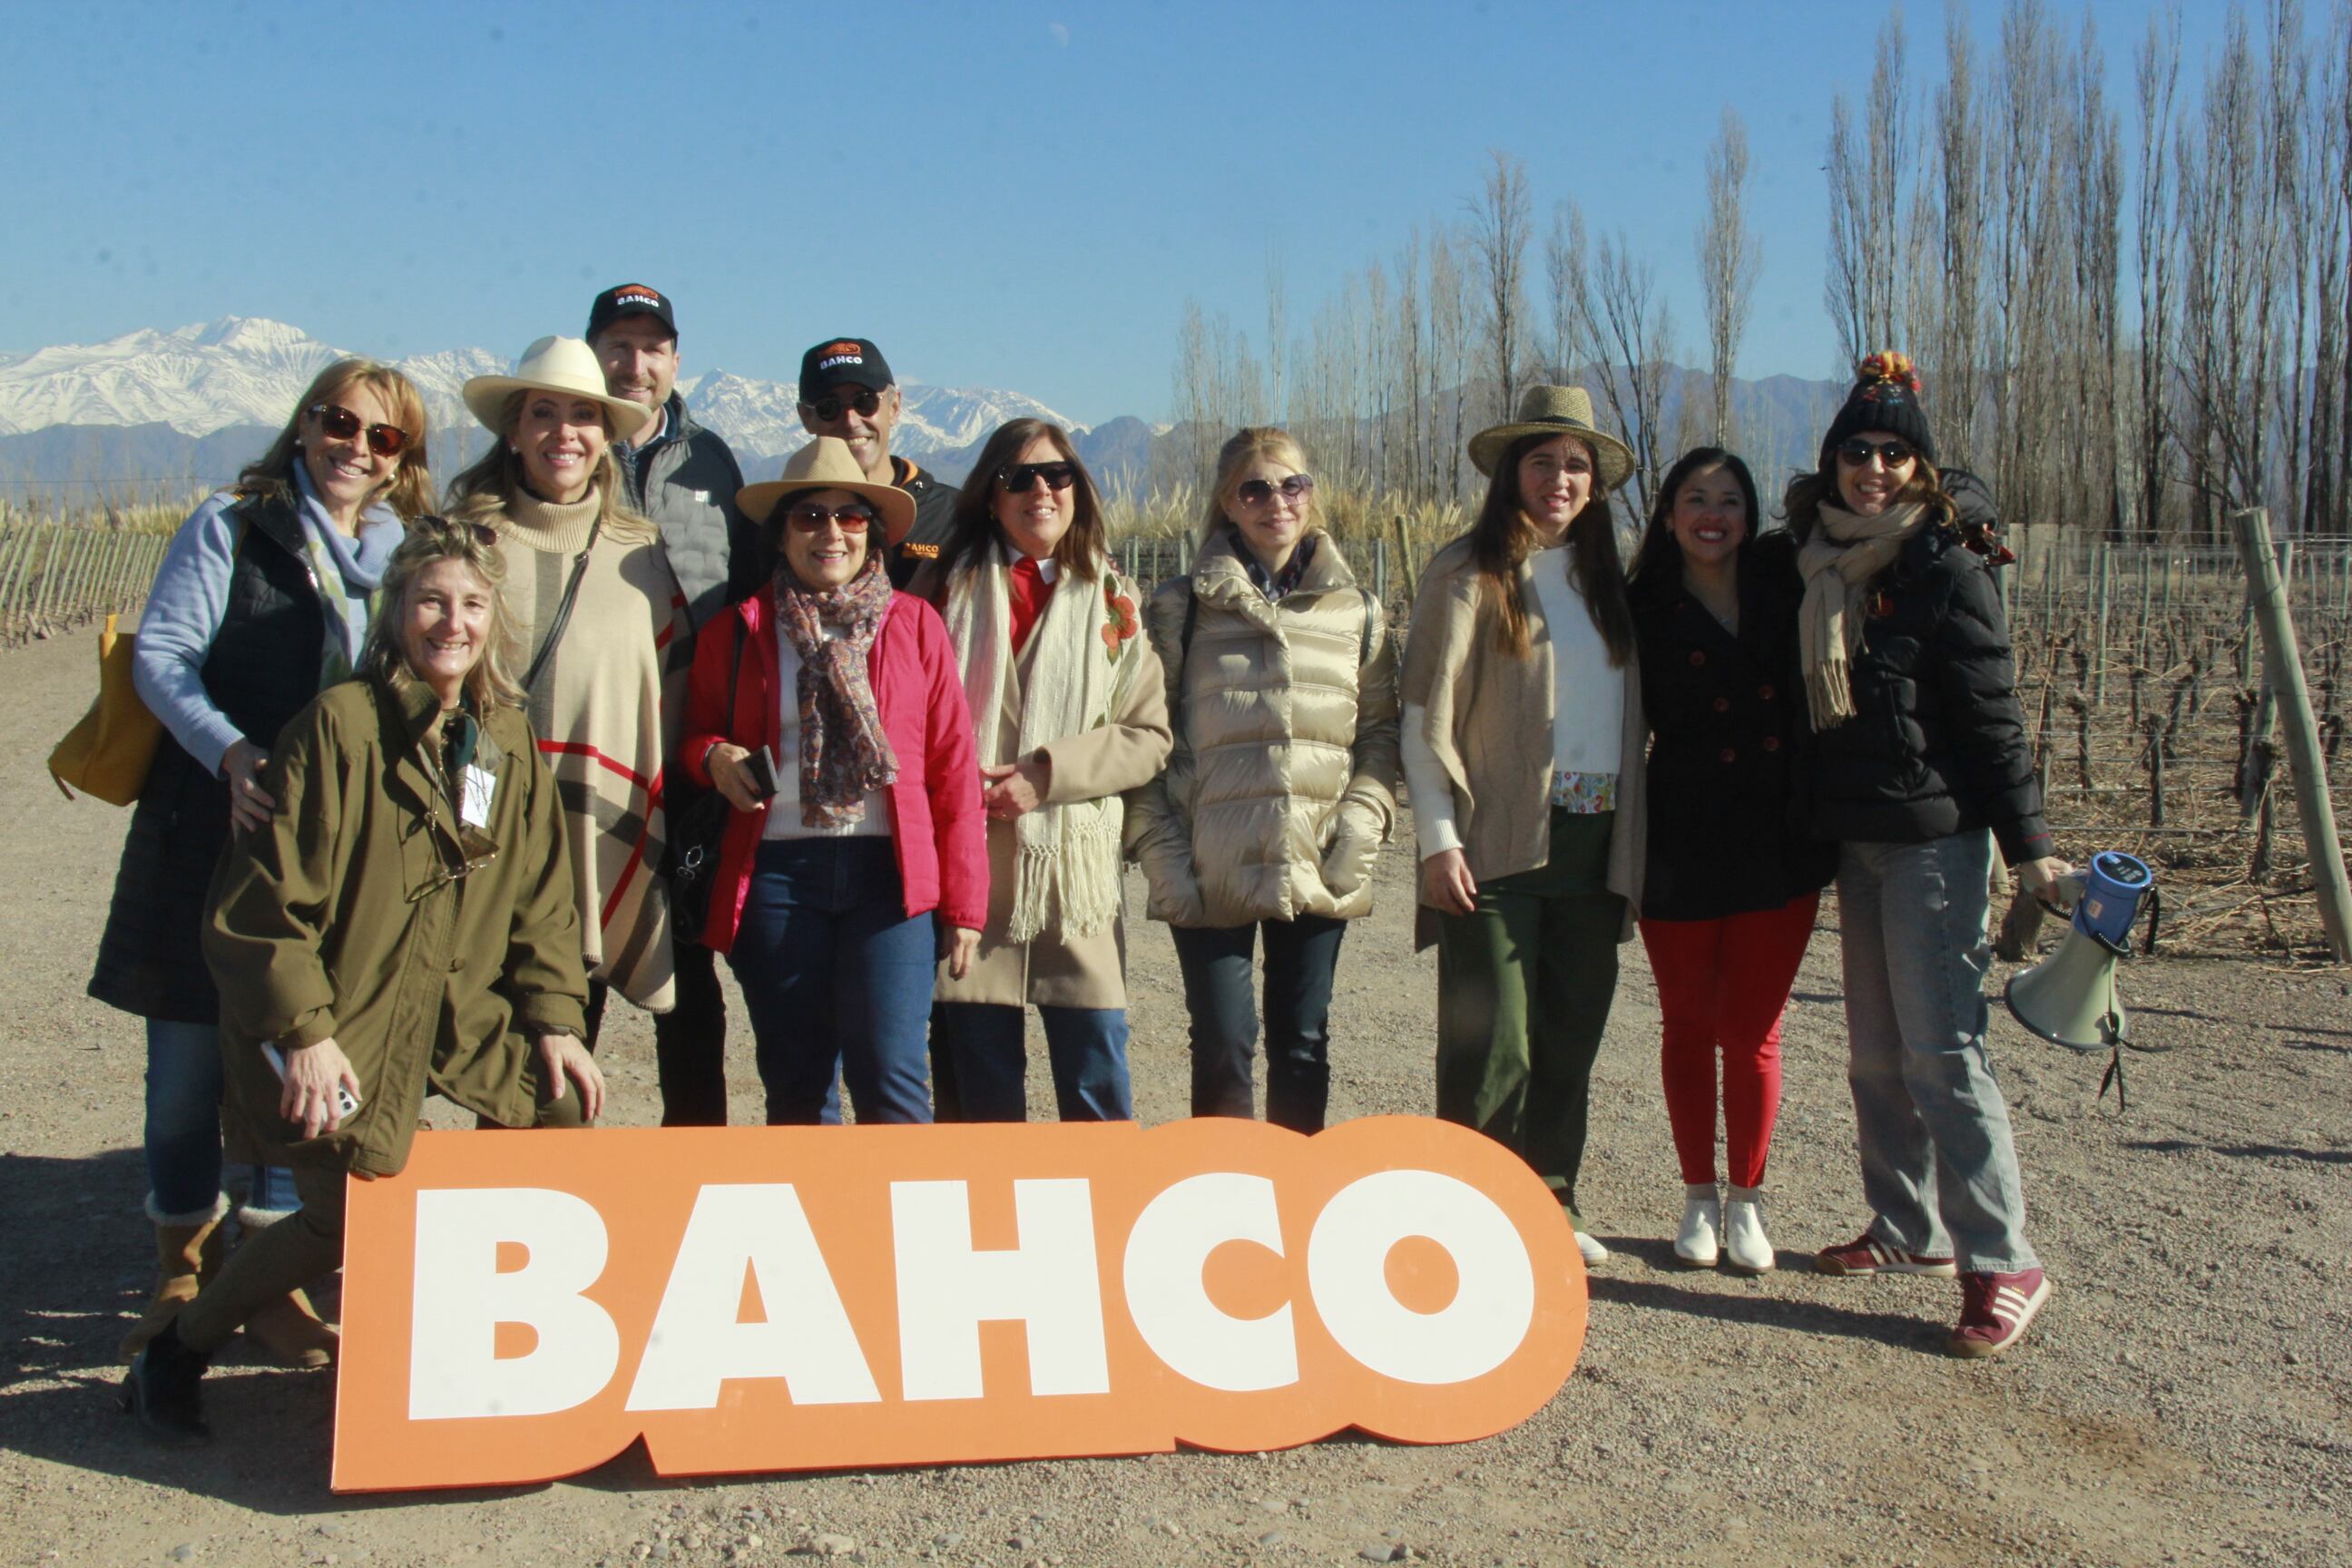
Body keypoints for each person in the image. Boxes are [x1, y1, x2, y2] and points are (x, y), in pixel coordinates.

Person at [119, 520, 603, 1446]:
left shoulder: (502, 737)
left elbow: (542, 902)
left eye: (469, 603)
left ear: (492, 616)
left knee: (557, 1108)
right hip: (337, 1018)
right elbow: (262, 912)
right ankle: (177, 1350)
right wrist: (303, 1035)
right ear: (396, 610)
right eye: (429, 600)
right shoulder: (336, 729)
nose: (449, 623)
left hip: (453, 1010)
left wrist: (554, 1021)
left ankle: (475, 1343)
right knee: (351, 1209)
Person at [93, 358, 430, 1371]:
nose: (354, 448)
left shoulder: (399, 554)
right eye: (339, 422)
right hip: (213, 829)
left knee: (304, 1068)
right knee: (188, 1073)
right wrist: (230, 751)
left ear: (402, 460)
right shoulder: (231, 526)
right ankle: (181, 1266)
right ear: (303, 425)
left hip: (332, 859)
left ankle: (272, 1274)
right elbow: (163, 658)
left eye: (383, 437)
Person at [1791, 352, 2068, 1357]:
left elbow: (1992, 721)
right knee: (1873, 1052)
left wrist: (2032, 849)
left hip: (1938, 844)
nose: (1874, 468)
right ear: (1833, 461)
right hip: (1859, 839)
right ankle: (1906, 1228)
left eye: (1895, 453)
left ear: (1922, 468)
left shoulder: (1946, 569)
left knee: (1943, 1053)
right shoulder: (1817, 557)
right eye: (1858, 449)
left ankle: (2003, 1258)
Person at [1400, 385, 1647, 1267]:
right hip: (1496, 839)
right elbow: (1423, 713)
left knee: (1571, 1030)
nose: (1560, 478)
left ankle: (1552, 1201)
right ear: (1512, 474)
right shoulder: (1465, 574)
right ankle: (1469, 1209)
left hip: (1593, 837)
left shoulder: (1607, 585)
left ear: (1595, 484)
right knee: (1492, 1041)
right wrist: (1437, 838)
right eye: (1542, 461)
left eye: (1576, 464)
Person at [676, 437, 986, 1123]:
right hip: (778, 876)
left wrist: (964, 908)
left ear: (871, 533)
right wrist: (714, 759)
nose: (831, 532)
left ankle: (901, 1229)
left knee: (894, 1077)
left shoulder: (914, 626)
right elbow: (693, 737)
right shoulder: (736, 631)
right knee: (797, 1083)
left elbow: (952, 769)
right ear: (782, 532)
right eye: (810, 516)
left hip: (889, 876)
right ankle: (817, 1229)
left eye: (850, 517)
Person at [1127, 427, 1397, 1132]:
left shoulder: (1358, 611)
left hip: (1320, 851)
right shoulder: (1180, 607)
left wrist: (1361, 827)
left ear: (1311, 494)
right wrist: (1163, 857)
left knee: (1302, 1043)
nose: (1275, 501)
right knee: (1222, 1044)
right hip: (1208, 858)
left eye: (1291, 485)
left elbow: (1378, 735)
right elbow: (1148, 738)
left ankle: (1297, 1205)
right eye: (1255, 488)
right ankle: (1224, 1197)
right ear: (1227, 502)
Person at [919, 419, 1170, 1122]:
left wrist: (1047, 773)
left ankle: (1105, 1225)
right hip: (972, 880)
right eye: (1019, 478)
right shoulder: (942, 590)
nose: (1041, 491)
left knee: (1096, 1086)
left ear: (1077, 490)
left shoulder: (1115, 601)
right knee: (980, 1100)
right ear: (990, 495)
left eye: (1057, 475)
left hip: (1072, 876)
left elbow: (1148, 735)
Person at [1625, 447, 1837, 1273]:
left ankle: (1747, 1200)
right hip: (1676, 837)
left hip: (1778, 836)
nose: (1711, 514)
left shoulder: (1788, 581)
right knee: (1686, 1023)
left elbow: (1850, 499)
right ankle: (1695, 1197)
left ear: (1752, 515)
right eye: (1693, 498)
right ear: (1668, 513)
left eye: (1729, 499)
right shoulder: (1638, 603)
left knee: (1752, 1030)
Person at [448, 336, 688, 1029]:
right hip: (477, 812)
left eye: (584, 416)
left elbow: (666, 697)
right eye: (543, 413)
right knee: (468, 1022)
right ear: (514, 432)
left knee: (562, 1038)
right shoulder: (463, 543)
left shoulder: (639, 555)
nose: (565, 433)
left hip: (597, 827)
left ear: (606, 436)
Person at [589, 282, 760, 1127]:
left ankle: (696, 1157)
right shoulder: (564, 447)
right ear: (595, 354)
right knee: (566, 972)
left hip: (691, 757)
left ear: (675, 361)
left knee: (688, 978)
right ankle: (538, 1163)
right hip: (588, 756)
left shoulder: (712, 464)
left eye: (652, 348)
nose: (635, 363)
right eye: (619, 345)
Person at [796, 337, 959, 587]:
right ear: (806, 417)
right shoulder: (791, 519)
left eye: (865, 402)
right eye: (829, 407)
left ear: (894, 407)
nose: (850, 420)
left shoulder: (954, 517)